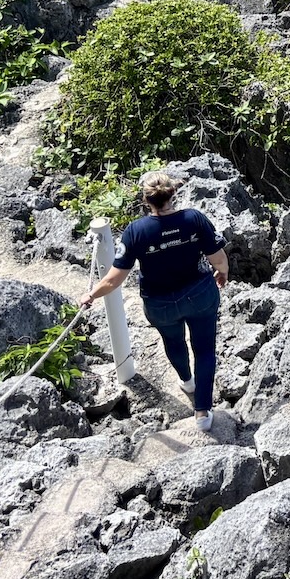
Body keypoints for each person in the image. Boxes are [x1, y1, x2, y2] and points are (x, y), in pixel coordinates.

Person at [79, 169, 230, 431]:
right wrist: (223, 271)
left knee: (173, 342)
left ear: (146, 200)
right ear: (173, 193)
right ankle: (203, 413)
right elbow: (217, 257)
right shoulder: (194, 218)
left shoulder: (136, 231)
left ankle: (187, 381)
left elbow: (114, 279)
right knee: (204, 349)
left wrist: (91, 295)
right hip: (200, 295)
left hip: (160, 304)